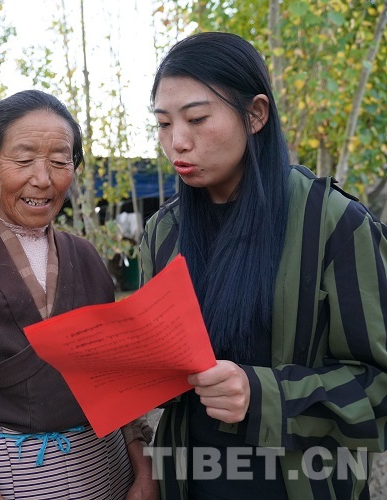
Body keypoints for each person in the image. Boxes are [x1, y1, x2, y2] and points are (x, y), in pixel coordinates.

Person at [140, 31, 387, 499]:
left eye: (196, 118)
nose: (177, 142)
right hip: (191, 478)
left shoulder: (333, 224)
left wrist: (261, 394)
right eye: (163, 124)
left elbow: (378, 384)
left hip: (301, 482)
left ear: (255, 115)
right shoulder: (163, 234)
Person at [0, 89, 157, 500]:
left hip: (108, 476)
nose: (43, 178)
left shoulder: (87, 257)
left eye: (60, 161)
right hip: (9, 484)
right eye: (23, 160)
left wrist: (144, 471)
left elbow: (116, 381)